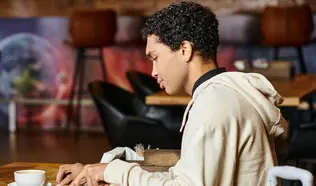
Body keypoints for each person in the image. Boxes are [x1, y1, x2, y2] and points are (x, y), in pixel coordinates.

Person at [56, 2, 288, 186]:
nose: (154, 71)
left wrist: (115, 172)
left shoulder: (214, 104)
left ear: (185, 50)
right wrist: (104, 171)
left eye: (155, 57)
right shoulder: (225, 93)